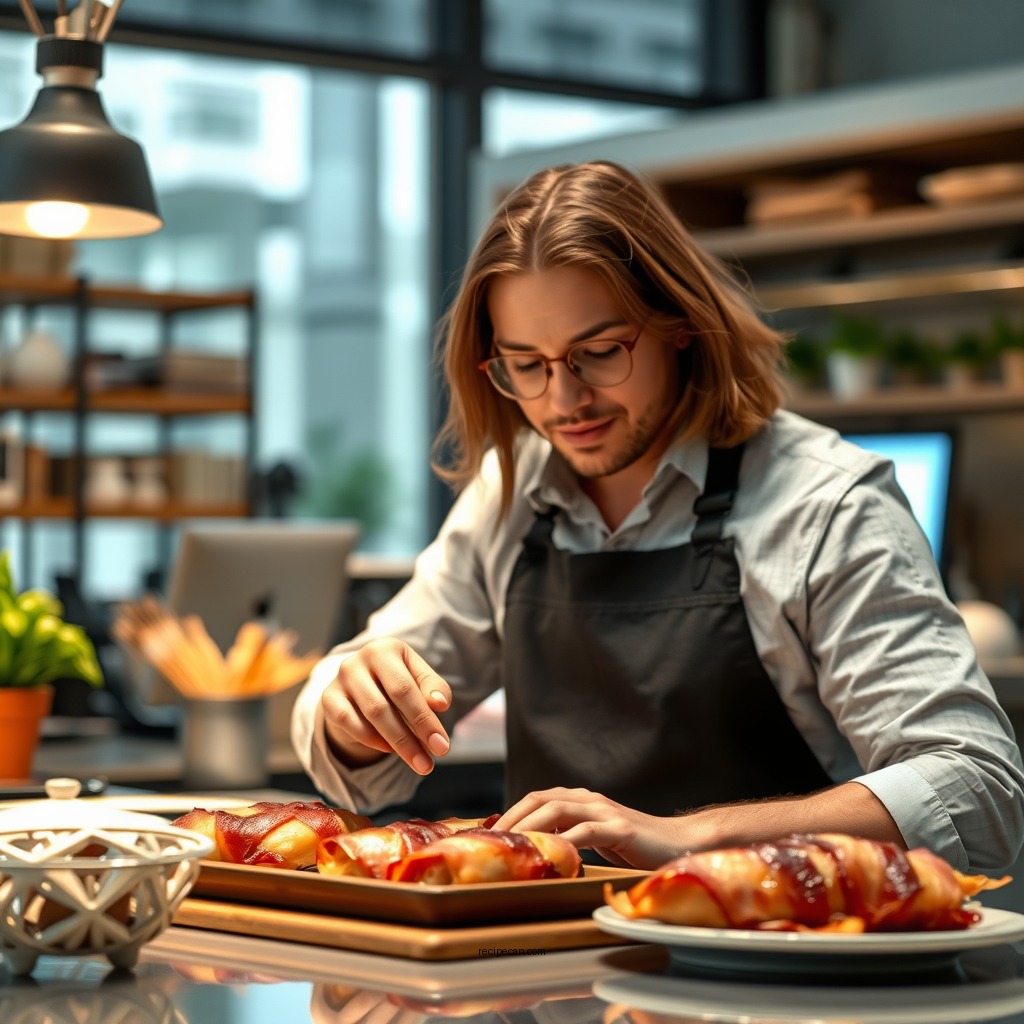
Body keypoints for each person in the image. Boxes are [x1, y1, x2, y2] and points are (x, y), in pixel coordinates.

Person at [292, 160, 1024, 873]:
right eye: (527, 364)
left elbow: (977, 786)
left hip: (777, 947)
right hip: (545, 949)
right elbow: (357, 758)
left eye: (599, 352)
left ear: (680, 324)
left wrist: (693, 837)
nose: (563, 401)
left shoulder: (827, 503)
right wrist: (355, 710)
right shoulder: (509, 495)